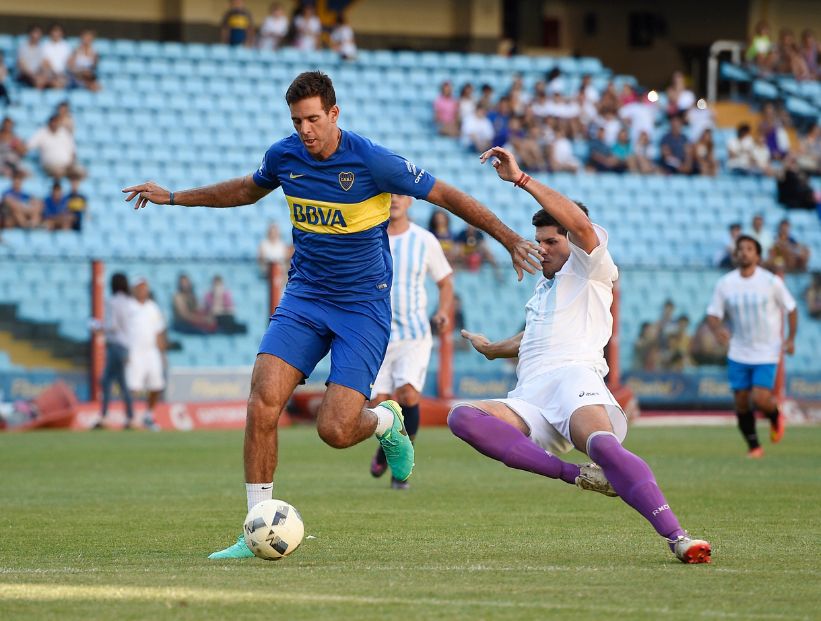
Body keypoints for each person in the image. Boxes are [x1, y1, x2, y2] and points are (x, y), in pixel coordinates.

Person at [122, 71, 541, 559]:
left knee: (335, 430)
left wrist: (510, 237)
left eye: (314, 119)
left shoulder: (371, 160)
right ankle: (254, 526)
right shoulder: (285, 156)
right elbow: (242, 190)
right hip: (304, 297)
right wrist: (173, 195)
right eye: (297, 120)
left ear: (334, 114)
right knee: (261, 402)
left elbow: (447, 196)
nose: (305, 130)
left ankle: (385, 422)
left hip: (361, 308)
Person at [449, 145, 711, 564]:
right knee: (462, 417)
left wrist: (521, 179)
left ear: (572, 239)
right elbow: (532, 338)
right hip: (530, 396)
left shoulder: (590, 267)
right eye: (539, 241)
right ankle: (580, 477)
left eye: (551, 240)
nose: (543, 248)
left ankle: (679, 537)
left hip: (575, 381)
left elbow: (581, 226)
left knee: (604, 447)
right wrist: (491, 349)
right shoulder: (543, 289)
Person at [368, 194, 454, 490]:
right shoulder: (368, 235)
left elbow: (445, 281)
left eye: (400, 195)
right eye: (388, 195)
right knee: (378, 403)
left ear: (410, 202)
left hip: (414, 333)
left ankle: (398, 470)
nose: (394, 200)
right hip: (376, 333)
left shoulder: (424, 240)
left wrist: (442, 311)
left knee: (407, 395)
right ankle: (386, 447)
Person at [706, 235, 797, 458]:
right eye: (741, 249)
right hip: (739, 350)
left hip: (766, 350)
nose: (744, 252)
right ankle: (754, 447)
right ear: (736, 255)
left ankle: (775, 416)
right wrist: (718, 331)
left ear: (757, 255)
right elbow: (713, 314)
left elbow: (791, 308)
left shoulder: (771, 282)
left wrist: (791, 338)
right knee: (741, 402)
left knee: (760, 398)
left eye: (749, 249)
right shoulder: (726, 283)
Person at [95, 273, 136, 429]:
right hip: (126, 346)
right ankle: (130, 417)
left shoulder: (113, 302)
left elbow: (112, 325)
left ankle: (105, 416)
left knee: (107, 382)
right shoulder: (130, 303)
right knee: (122, 383)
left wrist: (98, 327)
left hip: (116, 345)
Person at [126, 277, 167, 431]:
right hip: (135, 351)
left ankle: (148, 415)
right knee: (133, 387)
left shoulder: (152, 307)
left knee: (156, 386)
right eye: (140, 288)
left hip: (151, 351)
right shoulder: (129, 307)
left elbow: (159, 330)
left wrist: (162, 351)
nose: (143, 291)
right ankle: (131, 417)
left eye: (145, 288)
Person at [27, 114, 85, 180]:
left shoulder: (64, 133)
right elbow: (29, 146)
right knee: (58, 172)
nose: (54, 124)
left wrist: (71, 162)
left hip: (67, 165)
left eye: (56, 122)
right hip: (51, 165)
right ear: (49, 123)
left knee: (81, 172)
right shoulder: (42, 133)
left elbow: (73, 151)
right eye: (53, 122)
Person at [40, 24, 71, 89]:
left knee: (61, 82)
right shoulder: (45, 45)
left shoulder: (66, 46)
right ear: (50, 32)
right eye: (54, 31)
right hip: (49, 74)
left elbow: (69, 63)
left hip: (63, 74)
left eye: (58, 31)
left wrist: (61, 74)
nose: (56, 34)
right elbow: (45, 63)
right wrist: (54, 74)